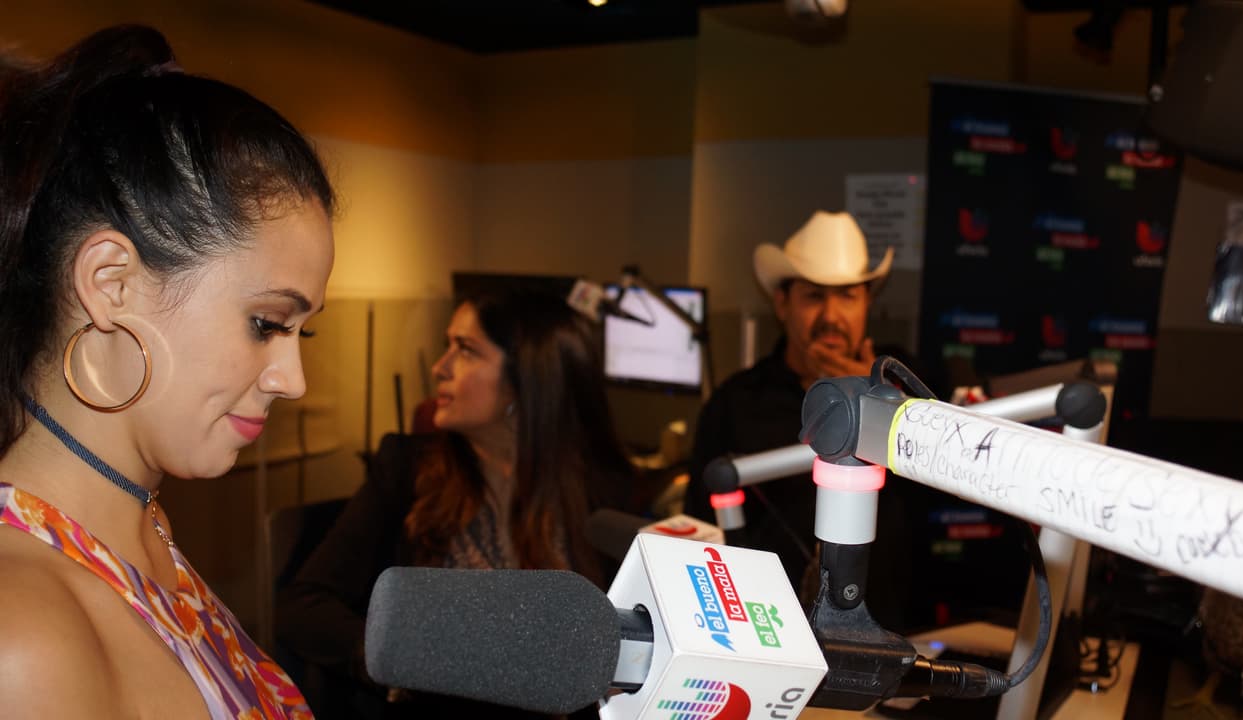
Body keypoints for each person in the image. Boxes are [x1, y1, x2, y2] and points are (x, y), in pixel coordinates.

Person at [0, 25, 334, 719]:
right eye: (266, 323)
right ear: (112, 284)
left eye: (304, 331)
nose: (293, 380)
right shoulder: (23, 636)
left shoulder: (140, 530)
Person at [275, 288, 635, 719]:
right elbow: (303, 607)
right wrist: (399, 658)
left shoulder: (604, 494)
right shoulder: (406, 470)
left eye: (465, 350)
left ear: (526, 379)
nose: (439, 367)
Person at [681, 210, 916, 624]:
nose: (831, 316)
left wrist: (876, 401)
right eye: (813, 296)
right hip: (765, 629)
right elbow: (698, 533)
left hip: (885, 629)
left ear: (867, 304)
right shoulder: (736, 402)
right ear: (782, 304)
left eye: (847, 296)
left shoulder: (908, 392)